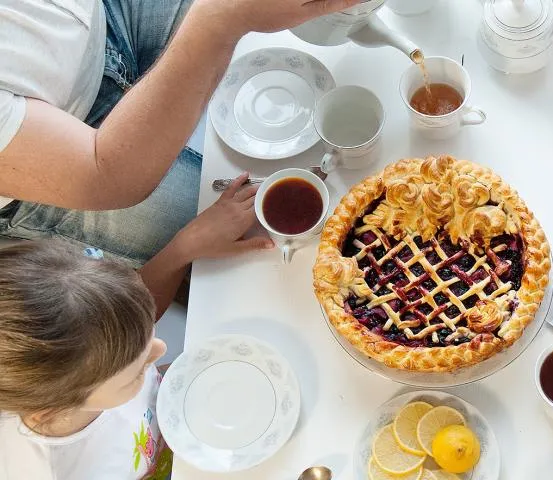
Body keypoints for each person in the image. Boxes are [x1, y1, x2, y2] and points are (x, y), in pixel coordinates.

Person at [0, 0, 358, 266]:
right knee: (259, 226)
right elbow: (105, 173)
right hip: (61, 164)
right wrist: (219, 19)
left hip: (103, 15)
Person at [0, 173, 268, 480]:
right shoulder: (54, 470)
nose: (162, 350)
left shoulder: (90, 357)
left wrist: (187, 244)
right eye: (137, 371)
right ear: (49, 410)